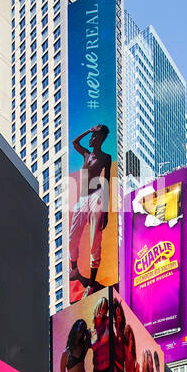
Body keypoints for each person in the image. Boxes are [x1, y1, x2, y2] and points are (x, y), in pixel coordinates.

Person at [68, 124, 113, 296]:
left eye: (94, 136)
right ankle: (74, 269)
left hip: (97, 197)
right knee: (72, 237)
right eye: (91, 136)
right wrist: (88, 129)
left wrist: (106, 212)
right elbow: (74, 142)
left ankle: (91, 285)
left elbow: (108, 182)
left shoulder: (106, 158)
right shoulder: (86, 154)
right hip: (82, 198)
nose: (91, 139)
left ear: (100, 139)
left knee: (95, 240)